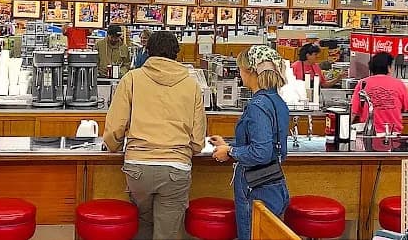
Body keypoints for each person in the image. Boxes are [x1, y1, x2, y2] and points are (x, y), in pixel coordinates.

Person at [103, 31, 206, 240]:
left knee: (142, 227)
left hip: (138, 167)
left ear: (147, 51)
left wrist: (113, 145)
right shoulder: (191, 84)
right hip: (176, 168)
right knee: (167, 233)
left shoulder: (132, 78)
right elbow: (197, 139)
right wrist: (190, 149)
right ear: (177, 53)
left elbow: (115, 128)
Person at [210, 45, 290, 240]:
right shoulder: (277, 101)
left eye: (240, 68)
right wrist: (229, 145)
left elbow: (260, 152)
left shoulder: (257, 105)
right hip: (274, 182)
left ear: (251, 71)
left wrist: (230, 151)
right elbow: (272, 146)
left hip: (255, 187)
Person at [351, 52, 408, 135]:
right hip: (393, 133)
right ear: (388, 67)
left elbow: (353, 112)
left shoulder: (362, 83)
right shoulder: (399, 84)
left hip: (369, 134)